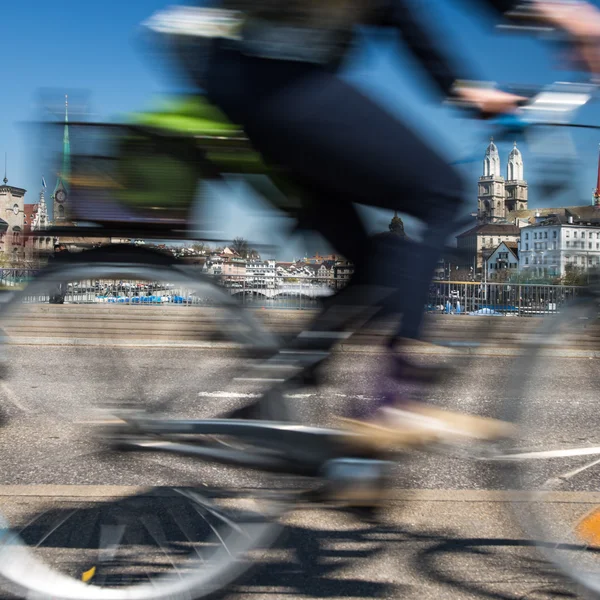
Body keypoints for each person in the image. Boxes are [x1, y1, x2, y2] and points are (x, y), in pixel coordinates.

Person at [199, 0, 600, 437]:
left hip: (253, 85)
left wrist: (459, 86)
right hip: (277, 79)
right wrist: (556, 11)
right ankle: (396, 394)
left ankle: (280, 398)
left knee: (376, 263)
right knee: (442, 194)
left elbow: (396, 16)